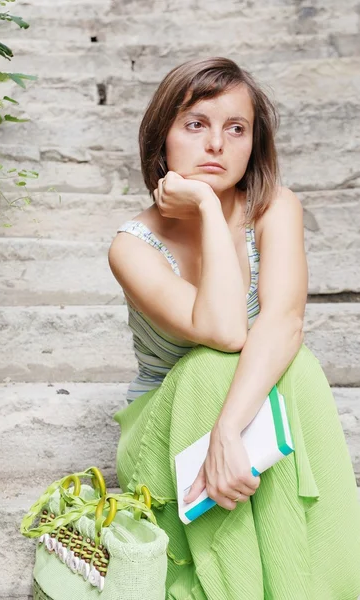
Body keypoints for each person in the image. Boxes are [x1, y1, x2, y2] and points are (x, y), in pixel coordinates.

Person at [108, 57, 360, 599]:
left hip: (247, 420)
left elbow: (285, 321)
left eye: (236, 129)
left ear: (254, 145)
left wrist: (228, 429)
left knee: (295, 361)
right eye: (196, 124)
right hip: (167, 432)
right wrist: (203, 204)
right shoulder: (131, 246)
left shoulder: (275, 209)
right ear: (162, 138)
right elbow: (222, 329)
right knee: (210, 366)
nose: (216, 145)